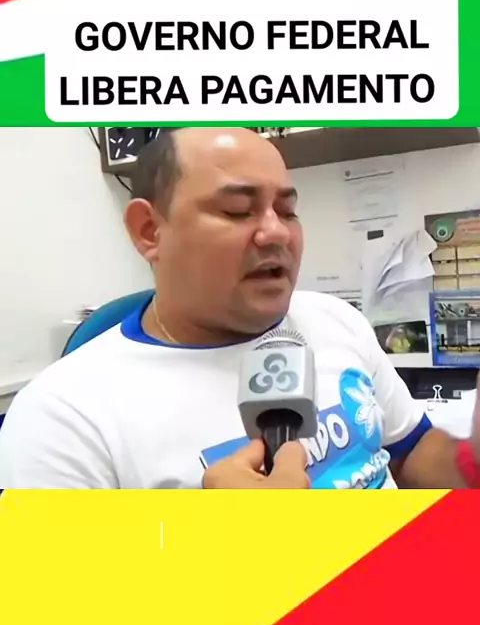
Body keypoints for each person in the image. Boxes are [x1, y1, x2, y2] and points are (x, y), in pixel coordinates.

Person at [0, 127, 479, 489]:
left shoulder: (336, 319)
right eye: (236, 210)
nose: (276, 232)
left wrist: (472, 458)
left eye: (287, 210)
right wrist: (220, 550)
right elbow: (59, 594)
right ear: (150, 231)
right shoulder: (62, 417)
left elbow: (412, 450)